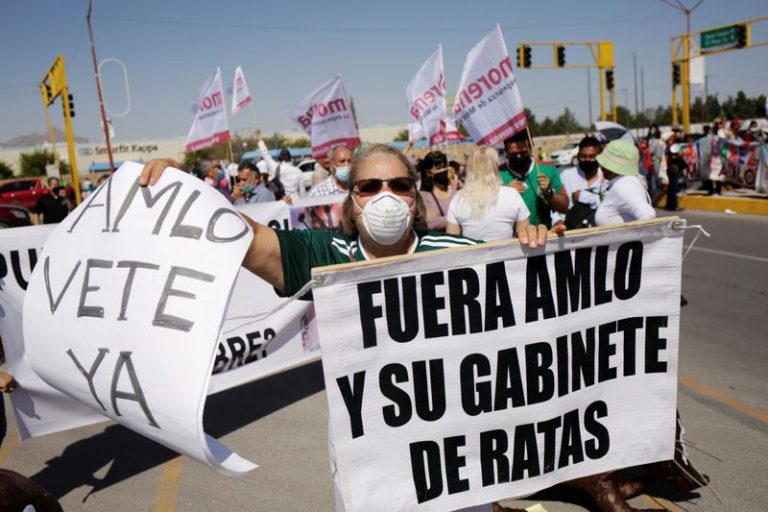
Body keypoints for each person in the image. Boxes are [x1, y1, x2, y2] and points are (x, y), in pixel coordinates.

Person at [445, 146, 530, 241]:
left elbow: (452, 239)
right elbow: (525, 232)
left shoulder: (458, 198)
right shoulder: (512, 195)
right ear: (496, 166)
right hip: (507, 254)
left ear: (469, 168)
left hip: (472, 255)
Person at [500, 130, 568, 228]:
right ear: (506, 151)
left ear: (531, 148)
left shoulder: (547, 169)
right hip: (510, 238)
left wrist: (549, 193)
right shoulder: (497, 173)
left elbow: (564, 207)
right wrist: (504, 193)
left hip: (542, 234)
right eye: (513, 154)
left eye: (523, 152)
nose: (518, 156)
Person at [594, 140, 655, 226]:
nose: (601, 166)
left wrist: (629, 237)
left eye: (604, 163)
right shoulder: (625, 182)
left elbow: (648, 215)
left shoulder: (625, 185)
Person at [553, 136, 606, 229]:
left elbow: (607, 203)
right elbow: (555, 205)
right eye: (583, 156)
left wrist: (583, 196)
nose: (587, 160)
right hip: (570, 229)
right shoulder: (566, 176)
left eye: (592, 156)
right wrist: (557, 221)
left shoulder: (605, 177)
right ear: (578, 156)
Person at [419, 150, 458, 231]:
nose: (443, 170)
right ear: (428, 172)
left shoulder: (456, 189)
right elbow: (431, 223)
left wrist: (455, 189)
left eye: (445, 166)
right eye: (438, 168)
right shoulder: (424, 196)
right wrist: (459, 218)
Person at [664, 143, 686, 212]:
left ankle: (668, 205)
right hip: (673, 173)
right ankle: (674, 206)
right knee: (673, 190)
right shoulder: (674, 157)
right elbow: (683, 164)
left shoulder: (671, 155)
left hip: (671, 173)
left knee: (670, 190)